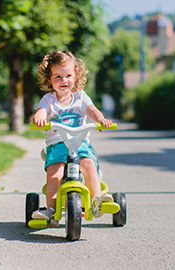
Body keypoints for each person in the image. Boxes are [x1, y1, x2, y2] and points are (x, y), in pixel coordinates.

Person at [31, 50, 113, 224]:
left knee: (89, 165)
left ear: (76, 76)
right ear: (49, 79)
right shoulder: (48, 100)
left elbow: (92, 110)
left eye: (68, 75)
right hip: (57, 145)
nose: (64, 81)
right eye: (57, 77)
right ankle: (51, 211)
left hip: (80, 143)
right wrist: (39, 117)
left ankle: (96, 201)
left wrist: (100, 120)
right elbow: (42, 111)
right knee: (55, 173)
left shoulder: (80, 97)